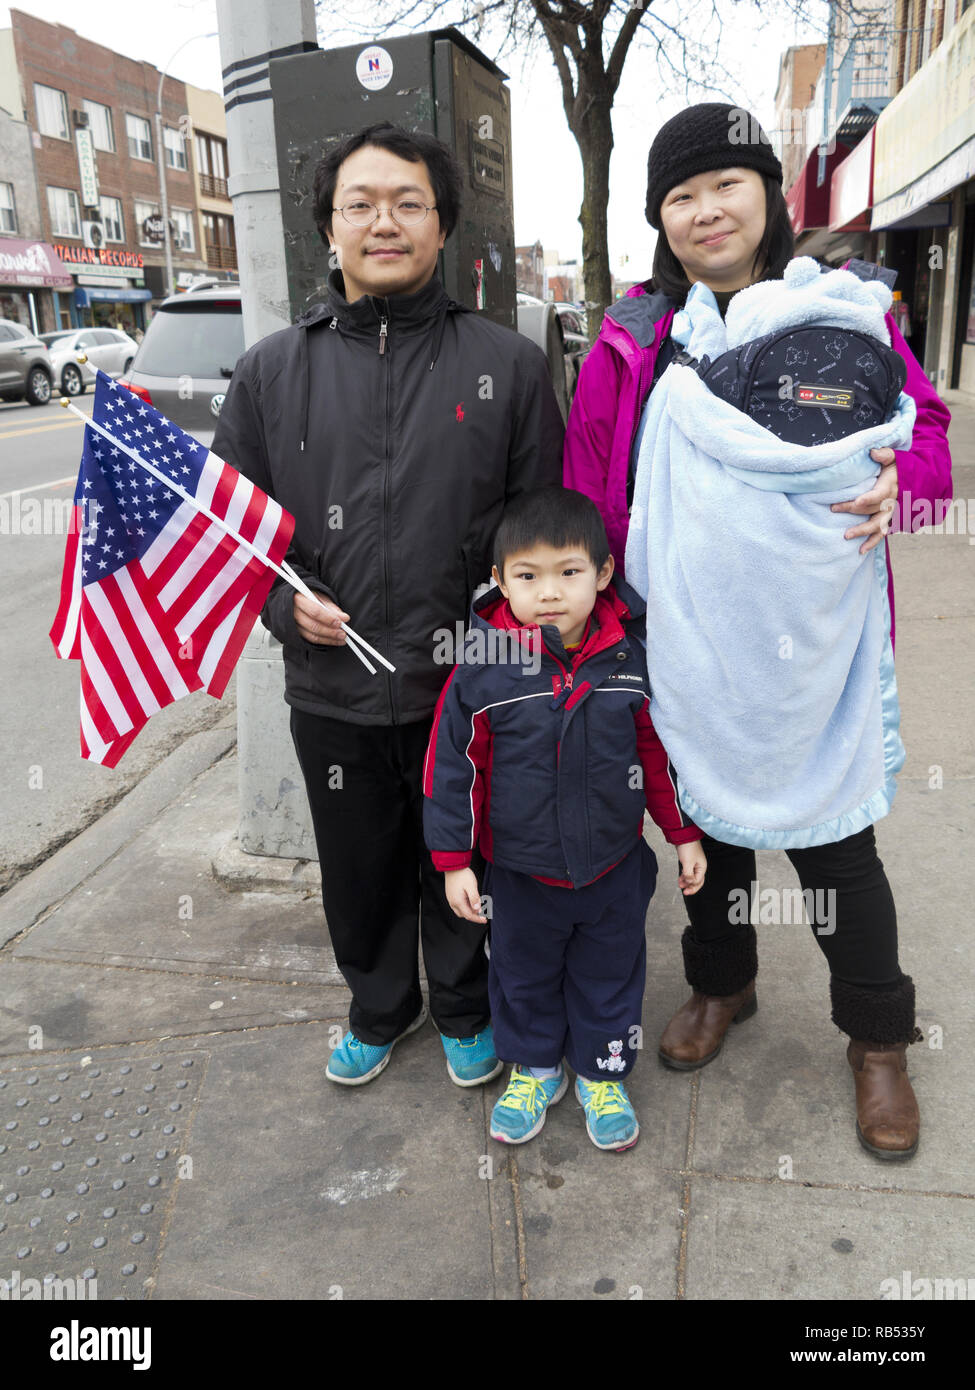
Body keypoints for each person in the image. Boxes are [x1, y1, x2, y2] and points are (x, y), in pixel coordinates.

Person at [563, 103, 953, 1160]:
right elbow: (591, 486)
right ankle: (722, 986)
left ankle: (877, 1039)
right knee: (709, 840)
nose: (705, 210)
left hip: (815, 654)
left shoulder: (842, 313)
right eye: (681, 196)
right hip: (685, 645)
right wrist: (593, 608)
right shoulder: (635, 341)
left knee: (837, 849)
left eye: (726, 184)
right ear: (662, 220)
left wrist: (901, 489)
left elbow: (929, 446)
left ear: (770, 196)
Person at [213, 122, 564, 1090]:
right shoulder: (272, 371)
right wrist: (290, 613)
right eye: (360, 203)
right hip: (332, 684)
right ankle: (378, 1005)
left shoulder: (510, 364)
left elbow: (542, 534)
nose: (384, 221)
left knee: (464, 860)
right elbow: (235, 540)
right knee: (359, 866)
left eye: (408, 202)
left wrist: (501, 629)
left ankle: (461, 1006)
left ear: (442, 225)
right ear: (328, 228)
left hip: (471, 683)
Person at [422, 487, 707, 1151]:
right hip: (519, 873)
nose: (548, 592)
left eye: (568, 573)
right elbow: (452, 768)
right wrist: (454, 861)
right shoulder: (483, 668)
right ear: (498, 582)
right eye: (527, 576)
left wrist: (682, 834)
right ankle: (535, 1068)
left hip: (612, 866)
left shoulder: (628, 661)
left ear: (603, 574)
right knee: (521, 977)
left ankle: (603, 1073)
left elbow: (655, 754)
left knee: (609, 974)